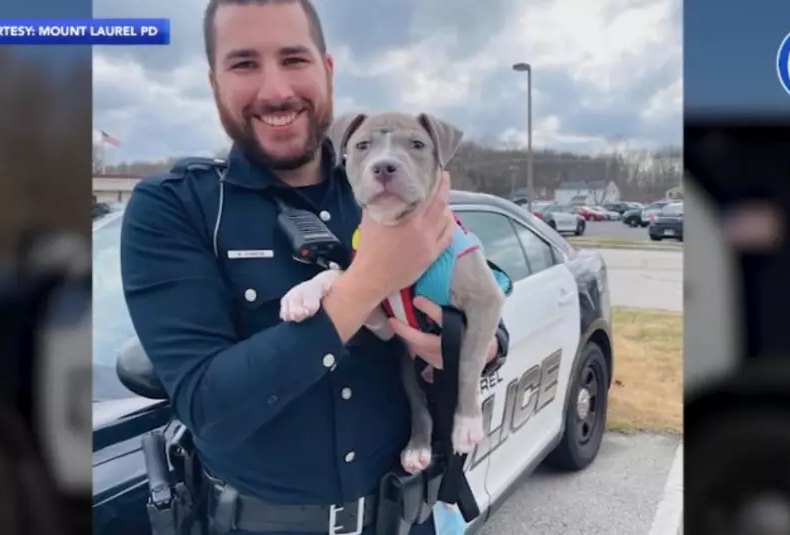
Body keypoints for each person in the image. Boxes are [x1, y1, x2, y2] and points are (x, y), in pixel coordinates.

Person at [120, 1, 510, 533]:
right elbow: (208, 407)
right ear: (213, 82)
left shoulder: (395, 187)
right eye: (244, 64)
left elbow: (478, 306)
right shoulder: (176, 207)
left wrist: (481, 346)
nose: (276, 90)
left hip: (406, 517)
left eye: (293, 59)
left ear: (326, 70)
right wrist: (369, 280)